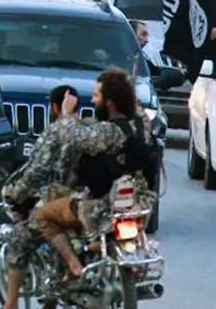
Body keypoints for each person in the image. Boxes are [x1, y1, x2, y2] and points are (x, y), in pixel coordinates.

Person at [34, 70, 151, 279]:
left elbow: (75, 137)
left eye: (97, 95)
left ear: (109, 102)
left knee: (44, 214)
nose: (93, 100)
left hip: (101, 205)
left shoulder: (110, 131)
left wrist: (65, 113)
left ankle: (73, 265)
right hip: (137, 203)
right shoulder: (139, 124)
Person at [0, 85, 83, 309]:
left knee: (19, 239)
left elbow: (37, 172)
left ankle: (10, 303)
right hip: (92, 204)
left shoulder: (56, 132)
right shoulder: (90, 129)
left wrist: (16, 194)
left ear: (55, 108)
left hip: (66, 205)